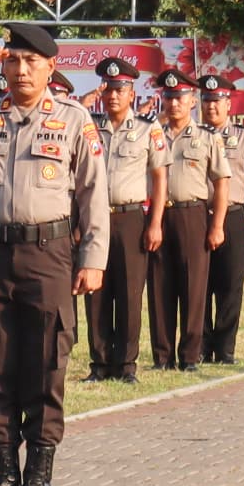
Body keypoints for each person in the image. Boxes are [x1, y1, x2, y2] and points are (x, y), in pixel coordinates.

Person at [0, 26, 108, 486]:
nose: (21, 71)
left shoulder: (72, 119)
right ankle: (3, 476)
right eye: (13, 61)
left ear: (51, 67)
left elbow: (93, 192)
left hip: (49, 255)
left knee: (47, 362)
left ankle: (39, 479)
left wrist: (93, 258)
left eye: (31, 62)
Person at [89, 60, 158, 383]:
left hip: (131, 219)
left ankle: (127, 364)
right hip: (97, 217)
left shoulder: (147, 129)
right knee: (97, 292)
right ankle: (100, 364)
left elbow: (160, 177)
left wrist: (155, 223)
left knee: (130, 293)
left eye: (119, 90)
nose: (113, 96)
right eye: (108, 90)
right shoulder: (91, 128)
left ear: (131, 93)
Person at [149, 76, 223, 370]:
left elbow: (222, 182)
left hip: (193, 214)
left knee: (194, 288)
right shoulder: (153, 134)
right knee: (159, 286)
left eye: (180, 97)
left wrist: (216, 225)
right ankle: (162, 356)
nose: (174, 103)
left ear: (193, 101)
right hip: (159, 215)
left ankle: (190, 355)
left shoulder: (207, 137)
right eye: (169, 97)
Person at [206, 79, 244, 363]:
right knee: (200, 285)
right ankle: (201, 347)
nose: (211, 107)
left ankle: (225, 348)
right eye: (206, 101)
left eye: (217, 101)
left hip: (233, 216)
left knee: (231, 284)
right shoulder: (193, 135)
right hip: (199, 215)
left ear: (228, 105)